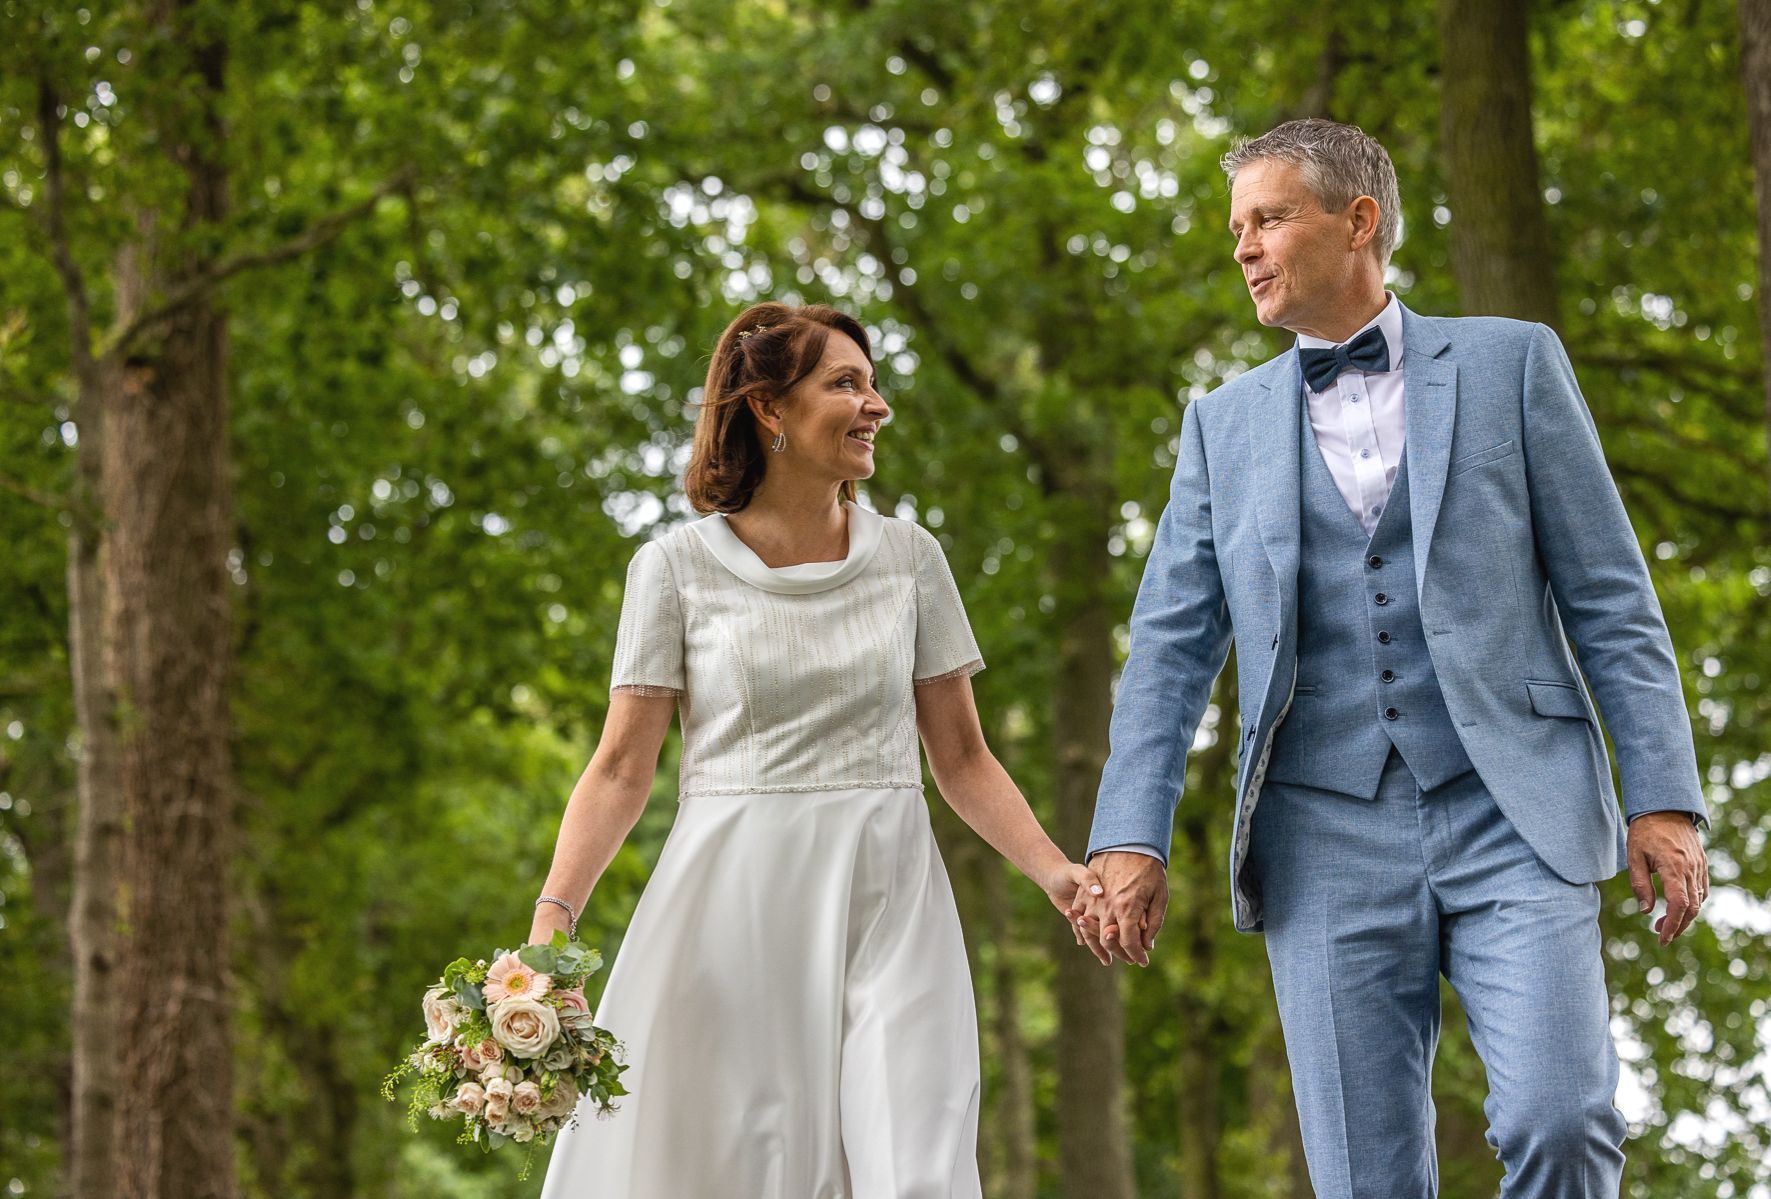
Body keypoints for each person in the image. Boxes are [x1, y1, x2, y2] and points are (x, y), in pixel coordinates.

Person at [1076, 119, 1710, 1197]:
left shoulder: (1514, 362)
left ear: (1357, 219)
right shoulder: (1219, 426)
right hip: (1321, 831)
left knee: (1562, 1114)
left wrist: (1663, 798)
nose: (1241, 247)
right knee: (1366, 1179)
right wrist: (1127, 835)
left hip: (1516, 806)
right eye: (1236, 228)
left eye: (1267, 218)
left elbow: (1610, 596)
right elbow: (1172, 647)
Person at [532, 302, 1101, 1197]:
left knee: (912, 1159)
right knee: (742, 1166)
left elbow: (959, 755)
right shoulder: (673, 569)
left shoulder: (911, 558)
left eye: (872, 384)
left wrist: (1054, 871)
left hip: (889, 896)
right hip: (731, 910)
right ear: (768, 409)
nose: (875, 405)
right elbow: (619, 768)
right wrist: (552, 923)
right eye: (845, 383)